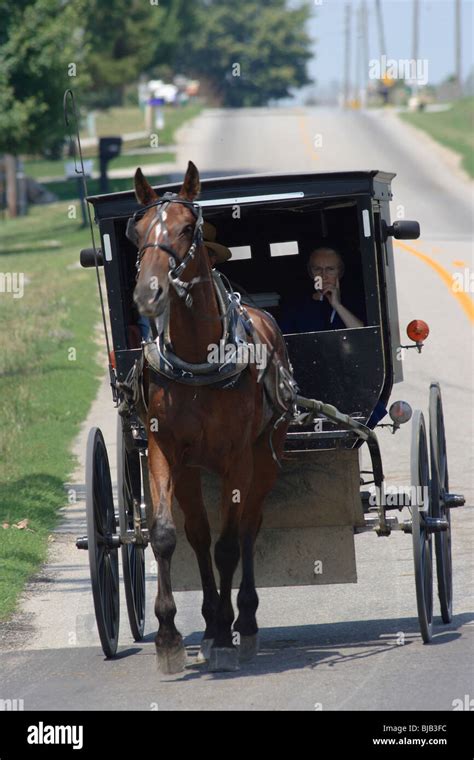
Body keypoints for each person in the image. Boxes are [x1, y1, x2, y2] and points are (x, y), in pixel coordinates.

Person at [279, 246, 364, 333]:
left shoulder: (355, 301)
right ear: (311, 273)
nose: (324, 276)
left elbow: (365, 335)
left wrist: (338, 306)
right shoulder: (295, 306)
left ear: (340, 272)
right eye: (317, 269)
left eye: (330, 269)